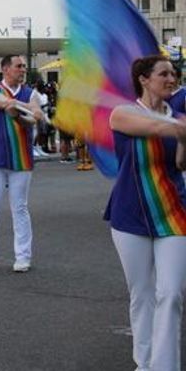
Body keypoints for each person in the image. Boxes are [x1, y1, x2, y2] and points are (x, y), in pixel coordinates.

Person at [106, 55, 186, 371]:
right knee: (141, 295)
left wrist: (183, 139)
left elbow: (180, 164)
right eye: (164, 73)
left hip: (174, 212)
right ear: (143, 78)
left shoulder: (178, 117)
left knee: (171, 293)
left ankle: (164, 367)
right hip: (130, 213)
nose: (171, 78)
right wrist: (176, 128)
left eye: (174, 74)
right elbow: (150, 126)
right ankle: (145, 362)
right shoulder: (122, 113)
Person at [0, 55, 43, 273]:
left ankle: (23, 256)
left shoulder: (31, 93)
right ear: (5, 69)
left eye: (24, 66)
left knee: (20, 207)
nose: (23, 69)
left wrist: (21, 115)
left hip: (21, 158)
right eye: (19, 66)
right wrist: (16, 105)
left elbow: (32, 119)